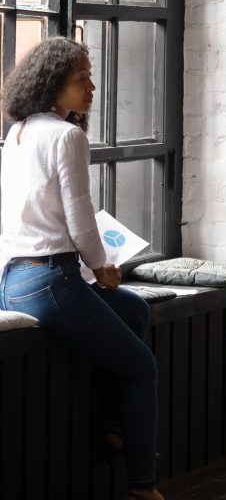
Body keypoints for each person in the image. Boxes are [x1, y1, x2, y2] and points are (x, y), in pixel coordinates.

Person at [0, 38, 162, 500]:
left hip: (12, 280)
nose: (91, 86)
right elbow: (80, 217)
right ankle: (142, 485)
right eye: (80, 79)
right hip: (52, 280)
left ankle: (114, 425)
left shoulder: (19, 131)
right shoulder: (68, 136)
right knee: (142, 365)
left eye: (90, 76)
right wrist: (103, 268)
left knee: (136, 313)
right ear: (53, 85)